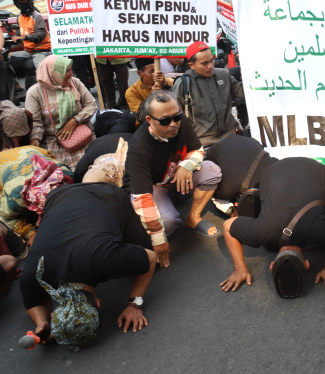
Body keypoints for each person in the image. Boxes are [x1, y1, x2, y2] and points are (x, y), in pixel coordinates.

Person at [18, 178, 157, 351]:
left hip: (106, 193)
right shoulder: (34, 272)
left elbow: (151, 257)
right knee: (130, 259)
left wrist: (134, 304)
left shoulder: (106, 261)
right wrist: (42, 322)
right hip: (58, 196)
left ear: (98, 303)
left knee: (145, 259)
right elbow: (32, 301)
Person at [219, 157, 325, 297]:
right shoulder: (261, 233)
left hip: (311, 169)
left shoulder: (317, 231)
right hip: (276, 169)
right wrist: (240, 269)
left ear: (306, 263)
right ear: (271, 265)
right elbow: (227, 226)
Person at [125, 90, 222, 267]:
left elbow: (197, 149)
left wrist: (186, 166)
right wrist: (158, 239)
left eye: (176, 116)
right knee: (167, 223)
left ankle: (193, 218)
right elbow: (143, 198)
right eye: (165, 121)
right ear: (150, 120)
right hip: (152, 188)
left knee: (211, 171)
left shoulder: (179, 121)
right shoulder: (139, 147)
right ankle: (151, 241)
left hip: (175, 177)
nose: (173, 124)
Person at [26, 55, 97, 170]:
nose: (71, 74)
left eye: (70, 70)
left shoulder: (75, 83)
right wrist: (35, 138)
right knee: (62, 174)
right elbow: (35, 122)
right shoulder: (35, 93)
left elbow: (91, 105)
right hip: (53, 142)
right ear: (52, 74)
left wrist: (75, 121)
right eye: (66, 71)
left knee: (92, 168)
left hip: (82, 137)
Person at [173, 41, 244, 147]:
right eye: (204, 63)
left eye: (212, 61)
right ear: (191, 65)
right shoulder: (183, 83)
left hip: (229, 138)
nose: (210, 66)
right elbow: (176, 117)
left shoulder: (224, 75)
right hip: (201, 144)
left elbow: (244, 93)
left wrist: (247, 73)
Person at [0, 146, 72, 248]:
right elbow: (6, 218)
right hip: (4, 163)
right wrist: (31, 234)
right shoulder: (15, 195)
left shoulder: (66, 175)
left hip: (31, 150)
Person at [204, 134, 278, 205]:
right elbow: (212, 194)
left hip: (244, 142)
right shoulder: (225, 191)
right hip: (215, 151)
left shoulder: (278, 166)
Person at [8, 0, 51, 92]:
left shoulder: (37, 16)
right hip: (29, 52)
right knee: (6, 59)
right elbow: (18, 36)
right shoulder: (20, 17)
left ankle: (50, 93)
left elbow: (40, 36)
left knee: (43, 76)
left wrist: (24, 37)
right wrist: (11, 37)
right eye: (17, 1)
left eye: (23, 1)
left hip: (41, 51)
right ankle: (16, 85)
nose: (20, 3)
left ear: (30, 1)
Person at [57, 0, 93, 89]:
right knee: (95, 69)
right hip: (89, 38)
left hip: (73, 42)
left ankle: (85, 97)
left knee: (80, 71)